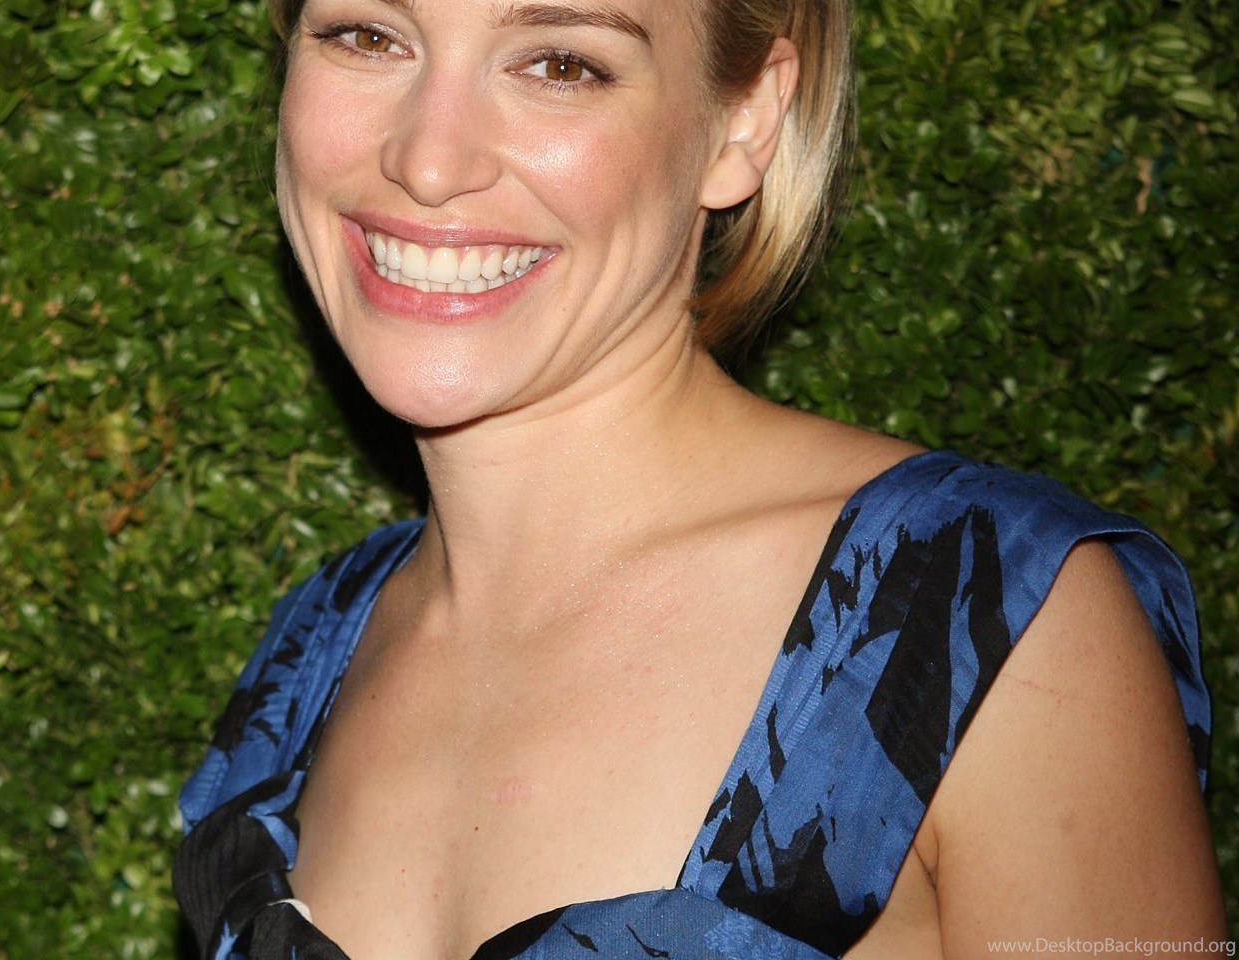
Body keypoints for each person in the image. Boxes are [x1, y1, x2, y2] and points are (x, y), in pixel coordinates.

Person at [173, 0, 1227, 956]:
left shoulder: (987, 621)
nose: (429, 160)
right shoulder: (314, 650)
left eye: (560, 64)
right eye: (366, 36)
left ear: (744, 121)